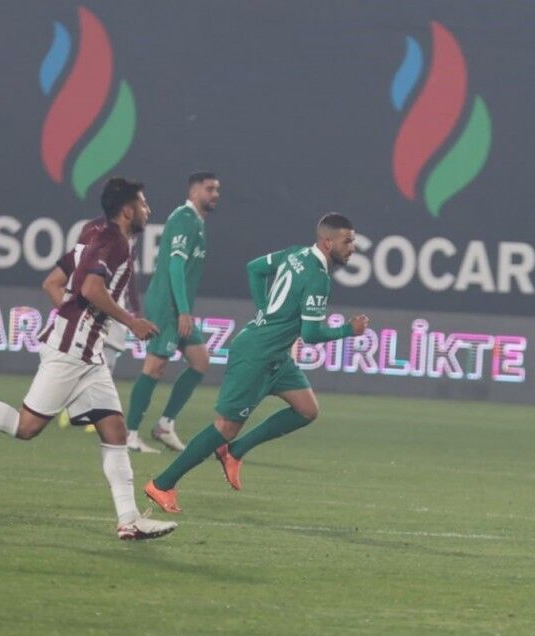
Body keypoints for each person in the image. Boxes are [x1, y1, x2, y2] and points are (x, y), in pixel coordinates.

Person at [0, 178, 177, 541]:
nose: (148, 210)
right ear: (127, 210)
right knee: (25, 427)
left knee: (114, 431)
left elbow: (52, 283)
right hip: (73, 351)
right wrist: (129, 322)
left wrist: (72, 319)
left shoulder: (93, 231)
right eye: (143, 203)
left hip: (84, 350)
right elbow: (91, 288)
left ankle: (129, 520)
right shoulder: (114, 242)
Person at [142, 213, 369, 513]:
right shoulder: (318, 278)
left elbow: (255, 269)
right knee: (225, 427)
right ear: (328, 243)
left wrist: (264, 312)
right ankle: (162, 484)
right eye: (347, 241)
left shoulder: (295, 254)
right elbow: (311, 334)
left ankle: (235, 452)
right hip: (256, 355)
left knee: (307, 410)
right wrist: (349, 330)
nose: (352, 247)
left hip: (277, 355)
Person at [124, 172, 221, 453]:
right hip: (168, 307)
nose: (215, 194)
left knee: (200, 361)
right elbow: (175, 267)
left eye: (217, 189)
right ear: (193, 192)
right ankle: (130, 434)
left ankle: (165, 425)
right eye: (209, 189)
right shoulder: (183, 219)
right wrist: (183, 312)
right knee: (154, 367)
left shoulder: (197, 222)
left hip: (179, 307)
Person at [42, 216, 142, 433]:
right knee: (88, 358)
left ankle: (89, 410)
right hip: (94, 301)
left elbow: (129, 276)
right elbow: (76, 267)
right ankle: (77, 407)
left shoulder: (129, 234)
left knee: (108, 359)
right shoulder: (94, 228)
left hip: (115, 303)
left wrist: (135, 306)